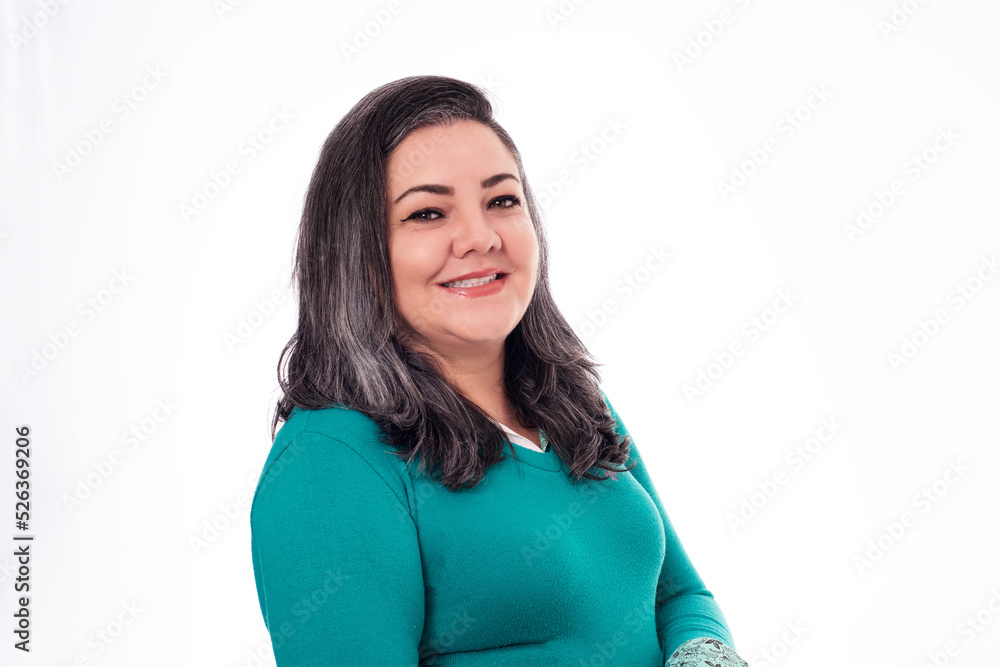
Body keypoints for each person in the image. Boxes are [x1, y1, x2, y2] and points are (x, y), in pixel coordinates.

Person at [249, 74, 749, 667]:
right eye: (428, 213)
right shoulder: (331, 459)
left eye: (501, 201)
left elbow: (678, 596)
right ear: (358, 254)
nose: (480, 237)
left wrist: (703, 656)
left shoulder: (573, 402)